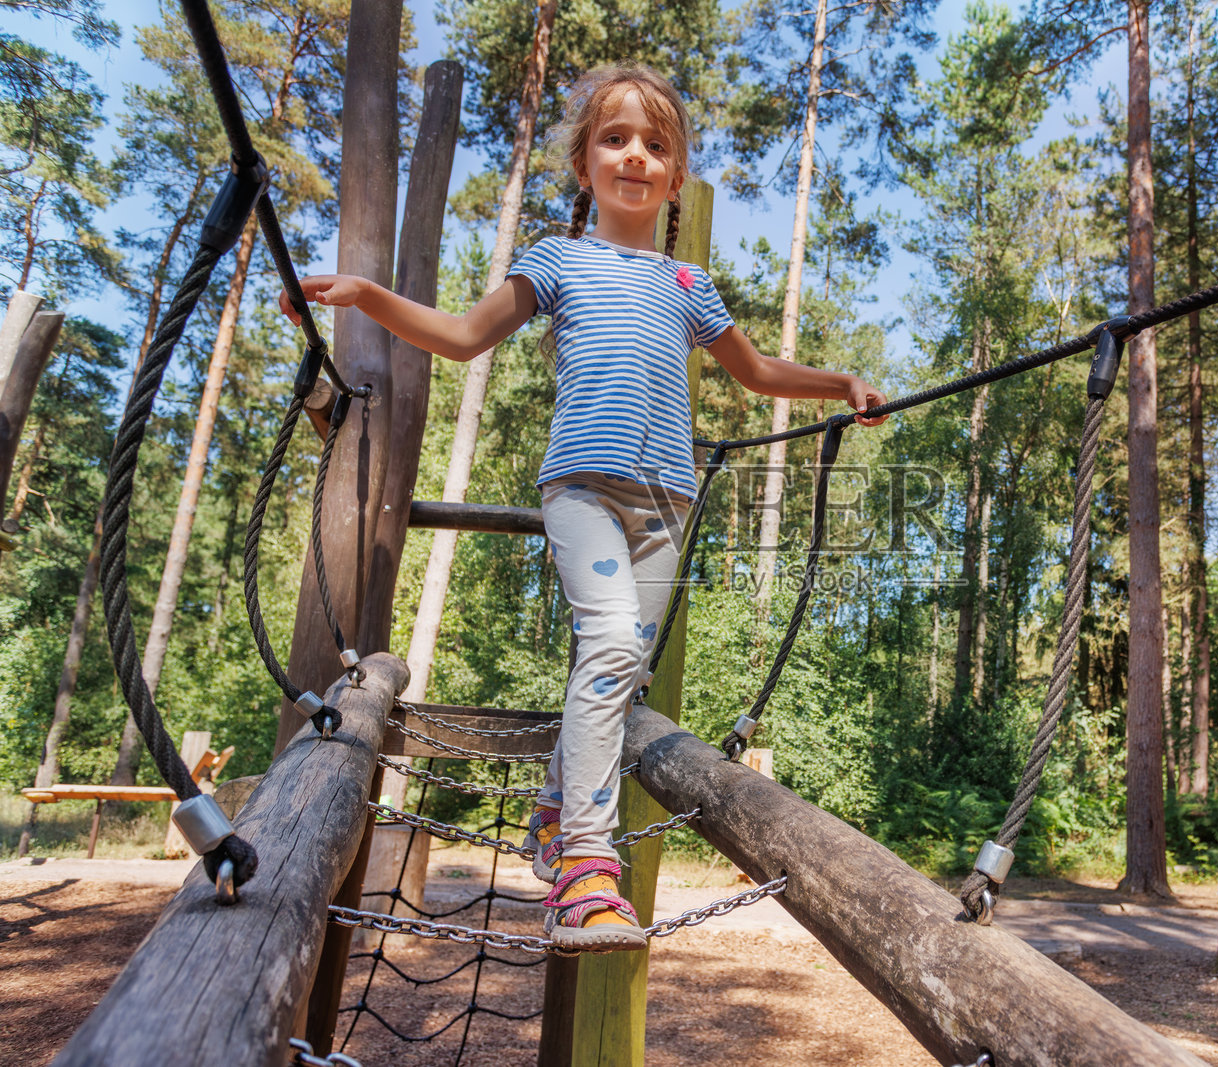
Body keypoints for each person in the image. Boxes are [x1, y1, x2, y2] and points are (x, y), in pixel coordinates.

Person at [280, 64, 889, 952]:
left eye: (655, 144)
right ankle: (586, 871)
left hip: (666, 504)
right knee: (608, 648)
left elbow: (756, 374)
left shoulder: (689, 284)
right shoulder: (557, 259)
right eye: (615, 138)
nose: (635, 155)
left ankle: (557, 807)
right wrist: (367, 295)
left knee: (621, 672)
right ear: (584, 162)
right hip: (583, 490)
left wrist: (842, 382)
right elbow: (461, 336)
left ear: (675, 177)